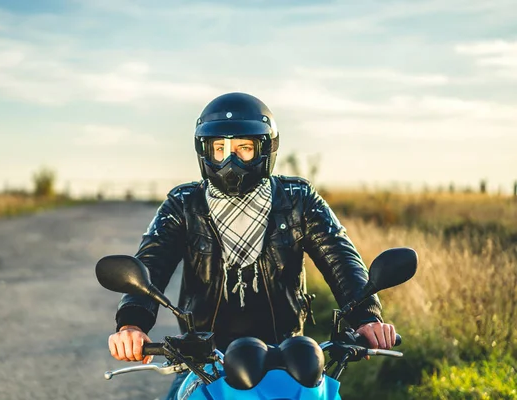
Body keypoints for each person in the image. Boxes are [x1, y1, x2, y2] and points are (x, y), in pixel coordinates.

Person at [107, 92, 396, 398]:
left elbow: (340, 257)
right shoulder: (183, 204)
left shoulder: (298, 199)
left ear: (266, 149)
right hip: (204, 360)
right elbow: (150, 264)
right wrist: (132, 324)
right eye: (220, 148)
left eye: (243, 148)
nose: (230, 161)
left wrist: (366, 318)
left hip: (287, 355)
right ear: (204, 151)